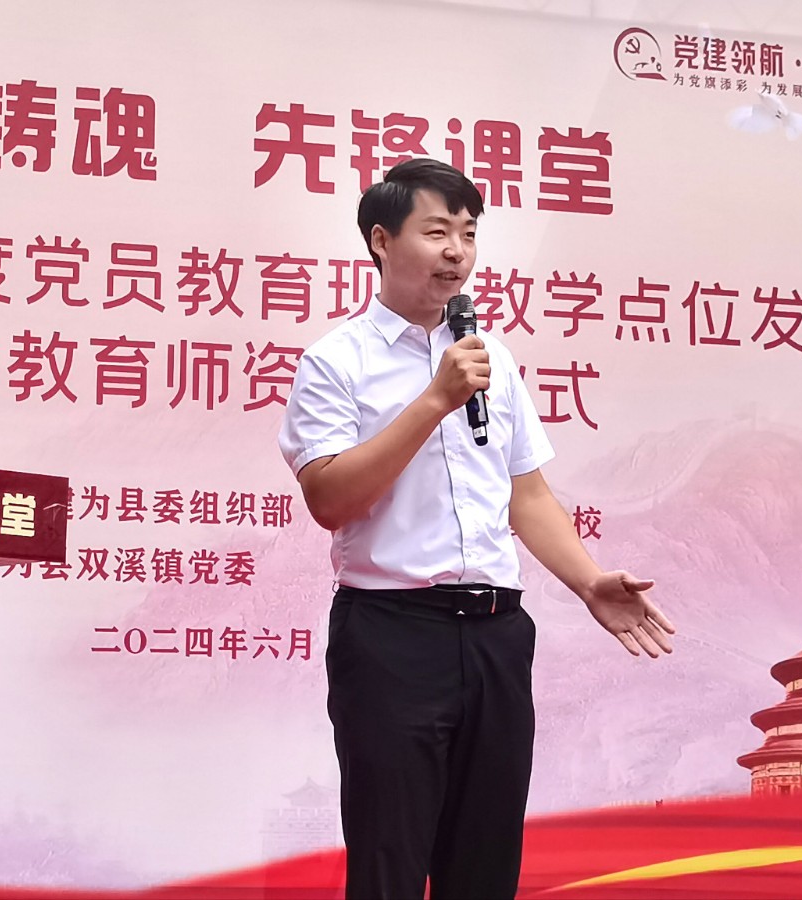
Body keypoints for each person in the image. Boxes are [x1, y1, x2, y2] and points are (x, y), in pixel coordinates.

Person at [277, 158, 675, 899]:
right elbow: (330, 499)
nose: (457, 251)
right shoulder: (336, 361)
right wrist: (435, 399)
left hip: (496, 633)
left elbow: (526, 493)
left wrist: (589, 582)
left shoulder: (493, 359)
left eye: (468, 233)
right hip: (392, 634)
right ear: (381, 241)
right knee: (390, 859)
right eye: (437, 232)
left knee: (485, 864)